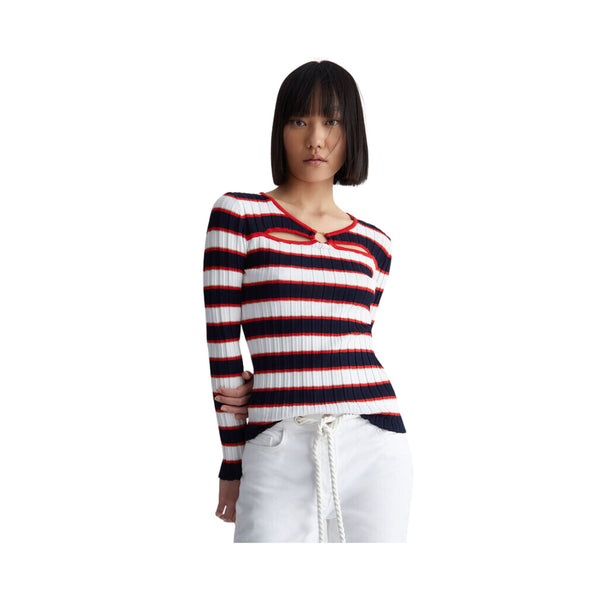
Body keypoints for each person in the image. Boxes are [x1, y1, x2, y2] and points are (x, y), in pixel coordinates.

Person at [203, 60, 413, 542]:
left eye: (331, 121)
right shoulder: (238, 216)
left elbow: (345, 344)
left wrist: (281, 373)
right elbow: (222, 349)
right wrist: (232, 464)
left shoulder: (374, 244)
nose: (316, 139)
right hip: (277, 441)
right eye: (300, 120)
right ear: (280, 130)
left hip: (376, 443)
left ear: (351, 132)